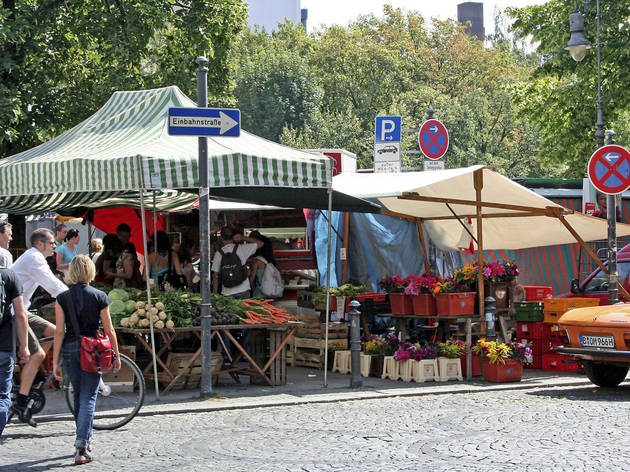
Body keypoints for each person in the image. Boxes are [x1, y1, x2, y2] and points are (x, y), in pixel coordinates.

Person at [53, 255, 121, 464]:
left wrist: (55, 361)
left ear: (72, 272)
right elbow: (109, 330)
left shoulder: (62, 298)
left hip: (70, 348)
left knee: (78, 394)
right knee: (89, 397)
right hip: (91, 349)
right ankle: (82, 445)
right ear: (91, 272)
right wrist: (116, 354)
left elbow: (59, 332)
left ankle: (84, 438)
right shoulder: (100, 296)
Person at [10, 228, 67, 423]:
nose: (55, 246)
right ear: (40, 244)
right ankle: (22, 402)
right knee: (38, 354)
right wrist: (76, 299)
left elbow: (54, 283)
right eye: (52, 242)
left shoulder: (35, 258)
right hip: (13, 314)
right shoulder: (34, 258)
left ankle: (34, 373)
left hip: (22, 311)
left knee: (53, 331)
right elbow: (53, 286)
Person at [0, 267, 30, 437]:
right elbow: (20, 314)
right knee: (2, 396)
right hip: (3, 346)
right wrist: (24, 346)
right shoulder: (10, 276)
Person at [212, 226, 263, 298]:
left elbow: (215, 276)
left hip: (227, 292)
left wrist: (215, 294)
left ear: (221, 238)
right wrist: (242, 238)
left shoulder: (218, 254)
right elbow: (260, 243)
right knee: (244, 309)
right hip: (243, 289)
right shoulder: (242, 248)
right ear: (233, 236)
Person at [247, 231, 276, 298]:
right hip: (267, 293)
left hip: (258, 294)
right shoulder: (268, 260)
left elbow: (251, 280)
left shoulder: (256, 261)